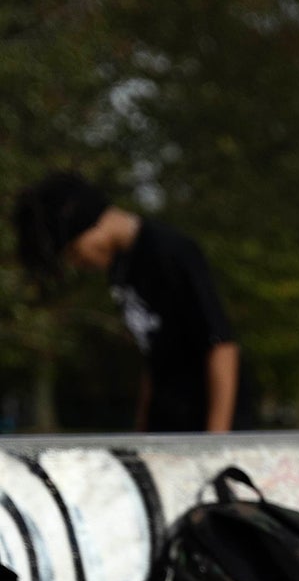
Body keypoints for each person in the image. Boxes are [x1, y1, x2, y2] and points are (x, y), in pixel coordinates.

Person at [13, 171, 245, 432]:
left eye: (76, 253)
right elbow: (154, 355)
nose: (80, 264)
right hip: (165, 428)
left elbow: (221, 345)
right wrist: (142, 430)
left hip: (200, 426)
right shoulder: (122, 268)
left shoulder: (171, 252)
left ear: (90, 225)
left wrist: (216, 441)